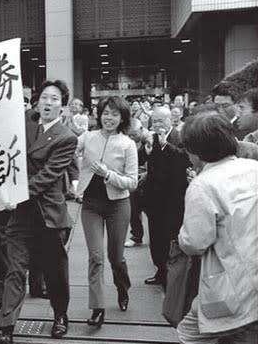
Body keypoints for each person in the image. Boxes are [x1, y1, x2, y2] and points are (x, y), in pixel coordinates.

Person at [0, 80, 77, 344]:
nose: (48, 103)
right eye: (44, 97)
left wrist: (16, 193)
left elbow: (48, 177)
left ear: (62, 106)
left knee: (55, 273)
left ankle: (60, 316)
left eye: (54, 99)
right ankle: (6, 329)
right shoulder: (28, 123)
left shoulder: (66, 137)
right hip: (21, 217)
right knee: (15, 271)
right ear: (37, 101)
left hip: (48, 216)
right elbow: (1, 107)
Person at [176, 113, 258, 344]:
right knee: (246, 337)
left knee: (191, 334)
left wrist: (181, 236)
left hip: (228, 284)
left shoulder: (203, 185)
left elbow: (195, 243)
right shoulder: (254, 168)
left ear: (196, 152)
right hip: (257, 275)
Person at [76, 96, 137, 328]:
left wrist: (107, 174)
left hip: (118, 206)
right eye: (105, 113)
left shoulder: (127, 144)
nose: (108, 118)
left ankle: (123, 287)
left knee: (115, 257)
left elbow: (132, 182)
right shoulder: (88, 137)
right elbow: (66, 147)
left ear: (122, 118)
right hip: (91, 205)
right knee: (96, 257)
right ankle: (98, 308)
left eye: (114, 114)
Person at [141, 106, 190, 286]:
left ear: (170, 120)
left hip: (174, 198)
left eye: (161, 121)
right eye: (154, 121)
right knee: (155, 238)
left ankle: (173, 276)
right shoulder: (151, 138)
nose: (157, 125)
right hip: (154, 198)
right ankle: (160, 271)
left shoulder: (180, 137)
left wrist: (165, 146)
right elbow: (141, 159)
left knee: (171, 236)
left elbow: (185, 158)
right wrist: (145, 150)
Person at [124, 118, 147, 248]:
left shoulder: (149, 141)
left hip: (148, 179)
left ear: (141, 130)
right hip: (133, 180)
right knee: (133, 209)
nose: (132, 137)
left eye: (134, 134)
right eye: (130, 135)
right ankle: (136, 236)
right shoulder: (126, 144)